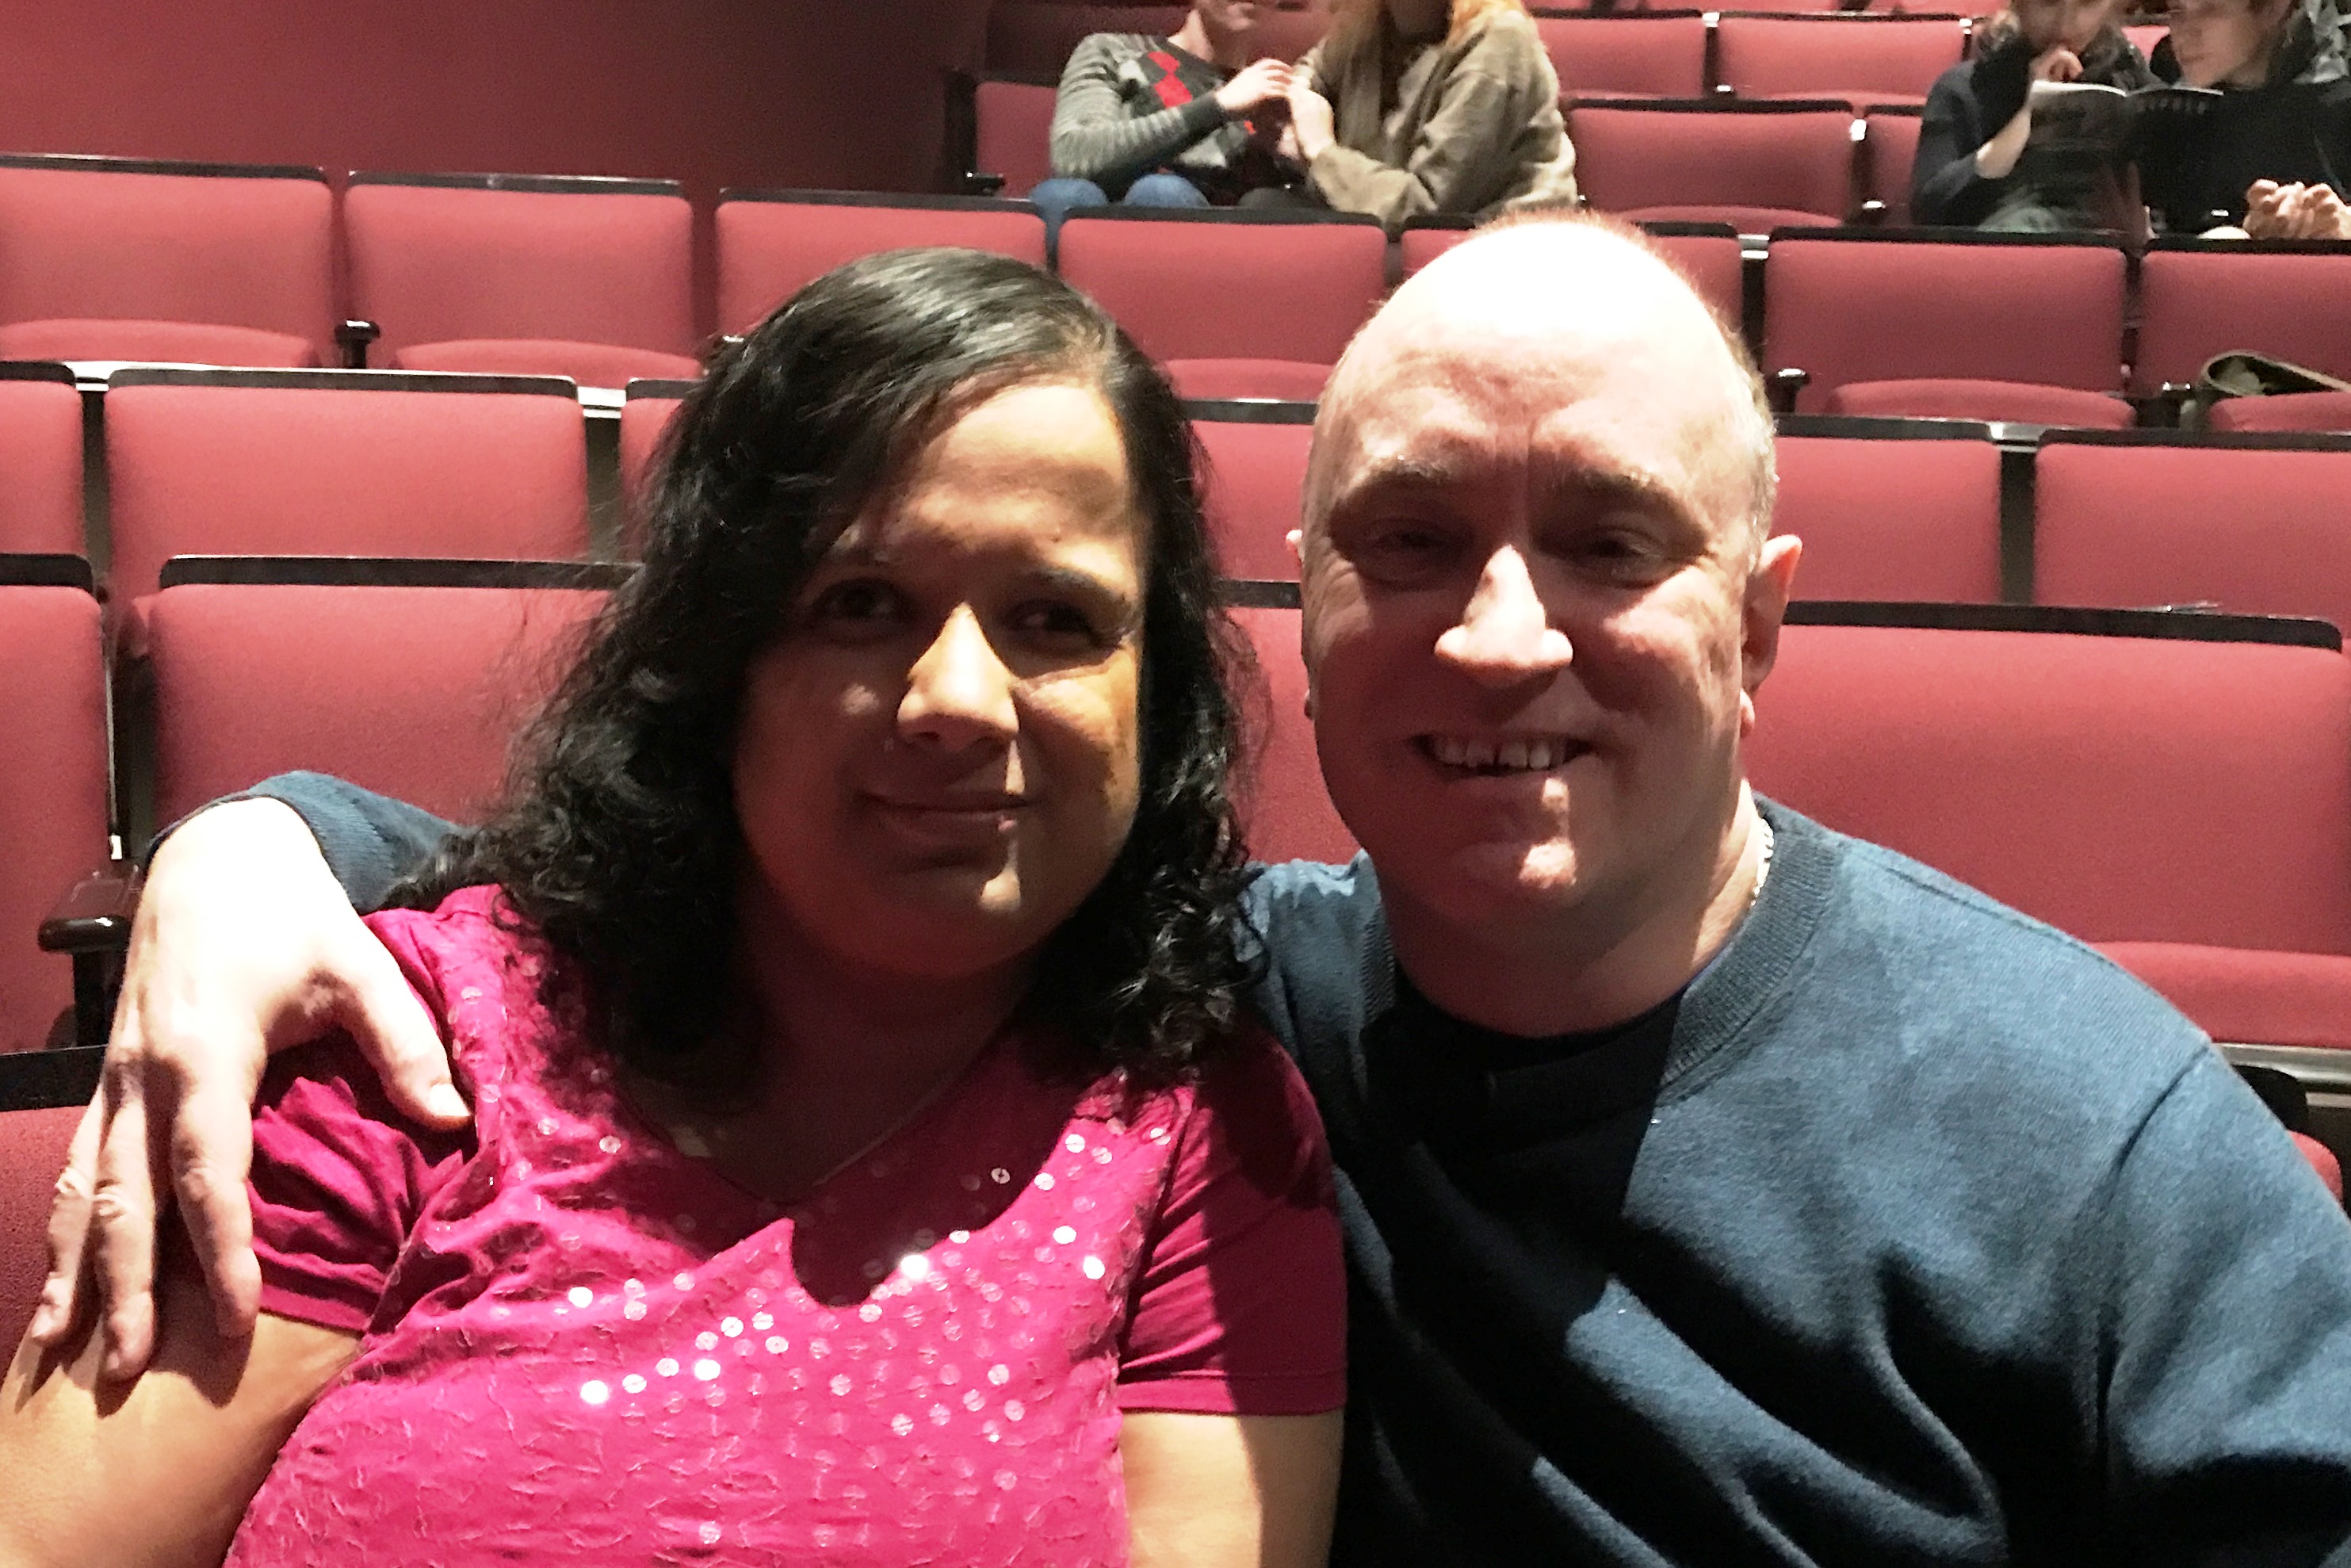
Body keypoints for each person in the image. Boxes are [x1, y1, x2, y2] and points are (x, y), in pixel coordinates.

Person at [35, 216, 2351, 1564]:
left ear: (1757, 621)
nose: (1501, 634)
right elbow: (602, 902)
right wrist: (249, 856)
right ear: (1299, 628)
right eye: (1412, 542)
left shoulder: (2107, 1156)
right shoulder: (1210, 1008)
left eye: (1610, 549)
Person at [0, 248, 1348, 1567]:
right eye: (860, 603)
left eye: (1054, 618)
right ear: (721, 662)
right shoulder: (408, 1047)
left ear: (1150, 694)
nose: (955, 699)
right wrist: (246, 834)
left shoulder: (1197, 1133)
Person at [1278, 0, 1577, 232]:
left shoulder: (1498, 41)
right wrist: (1298, 106)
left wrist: (1320, 152)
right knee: (1264, 207)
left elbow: (1428, 210)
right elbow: (1311, 71)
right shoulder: (1371, 19)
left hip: (1492, 244)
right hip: (1385, 225)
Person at [1029, 0, 1301, 246]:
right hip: (1101, 221)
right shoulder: (1114, 51)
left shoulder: (1270, 90)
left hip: (1210, 248)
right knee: (1063, 195)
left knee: (1161, 193)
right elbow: (1073, 156)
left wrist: (1291, 152)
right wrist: (1217, 106)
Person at [1912, 0, 2159, 230]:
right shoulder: (1964, 88)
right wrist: (2031, 114)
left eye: (2088, 2)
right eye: (2048, 1)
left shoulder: (2137, 85)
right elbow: (1932, 211)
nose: (2066, 25)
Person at [2142, 0, 2351, 233]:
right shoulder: (2163, 102)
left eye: (2211, 10)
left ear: (2274, 9)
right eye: (2177, 12)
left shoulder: (2339, 101)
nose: (2184, 34)